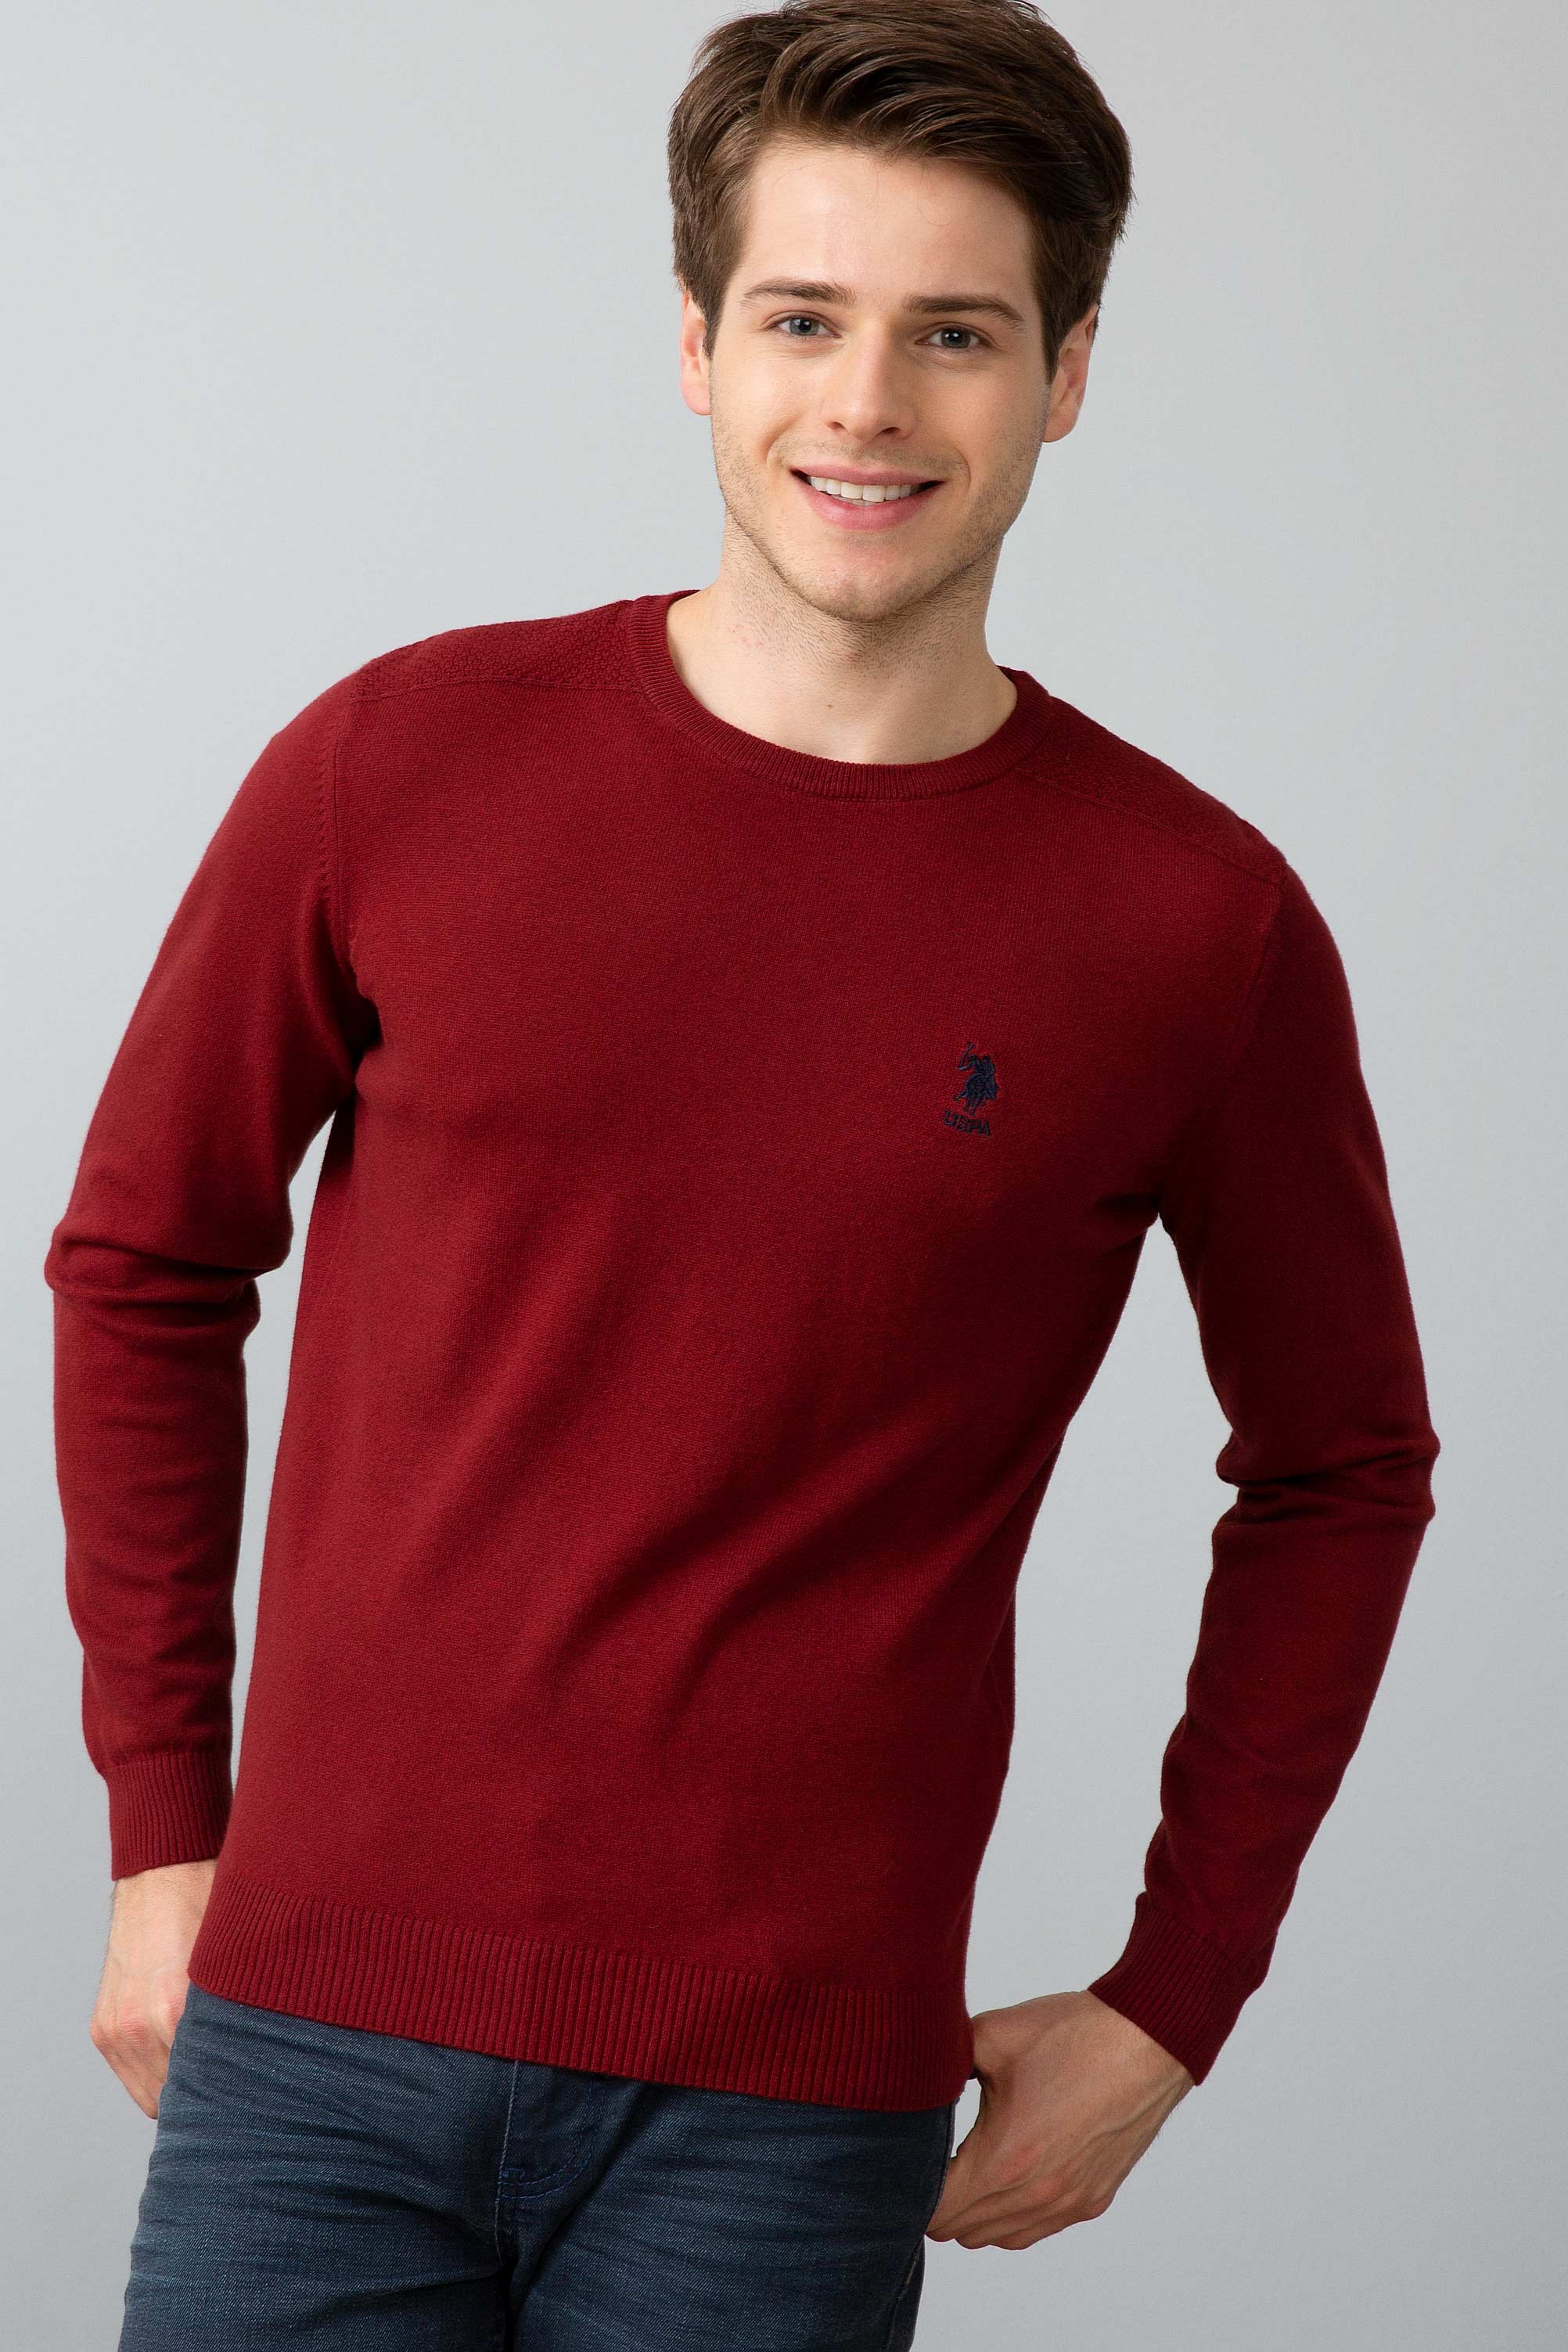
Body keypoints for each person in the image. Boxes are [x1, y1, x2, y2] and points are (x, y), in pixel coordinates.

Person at [45, 2, 1440, 2346]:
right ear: (696, 345)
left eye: (954, 333)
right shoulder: (400, 765)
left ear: (1067, 375)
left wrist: (1178, 1995)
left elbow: (1344, 1465)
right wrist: (162, 1827)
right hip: (310, 2038)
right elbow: (144, 1262)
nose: (867, 401)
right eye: (803, 318)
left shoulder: (1191, 927)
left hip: (786, 2109)